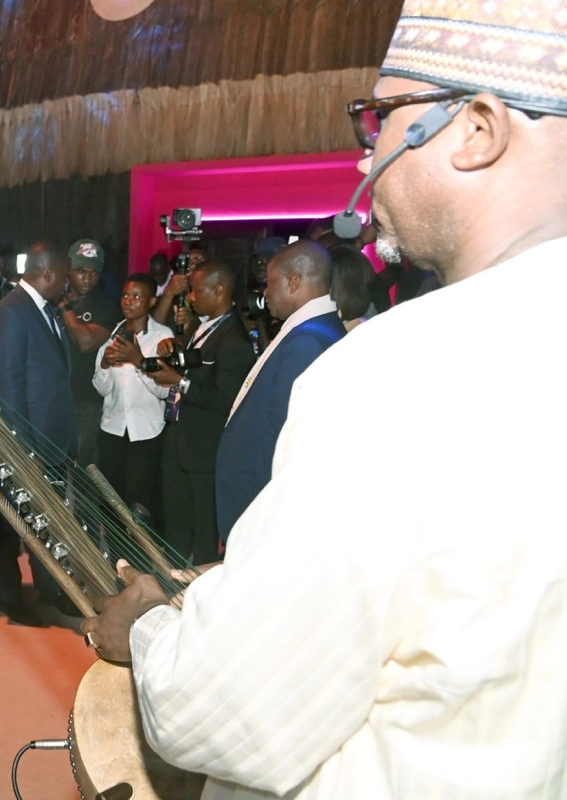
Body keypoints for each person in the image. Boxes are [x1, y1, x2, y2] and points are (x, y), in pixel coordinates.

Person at [81, 2, 567, 797]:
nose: (365, 154)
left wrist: (147, 626)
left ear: (477, 129)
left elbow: (225, 710)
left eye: (381, 117)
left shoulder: (395, 374)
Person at [216, 241, 343, 541]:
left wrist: (254, 518)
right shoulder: (314, 329)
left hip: (260, 510)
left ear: (294, 282)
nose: (265, 293)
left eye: (271, 283)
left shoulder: (307, 342)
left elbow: (279, 439)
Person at [0, 241, 74, 626]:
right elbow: (7, 388)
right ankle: (10, 600)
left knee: (48, 522)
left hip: (50, 441)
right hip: (24, 445)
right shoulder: (11, 312)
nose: (68, 284)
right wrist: (24, 451)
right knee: (11, 525)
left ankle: (50, 589)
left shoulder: (45, 310)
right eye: (65, 276)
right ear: (49, 273)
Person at [146, 259, 255, 564]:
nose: (191, 298)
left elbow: (226, 399)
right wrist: (175, 346)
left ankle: (200, 589)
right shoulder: (202, 323)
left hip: (205, 449)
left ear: (218, 290)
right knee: (175, 524)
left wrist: (179, 381)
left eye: (196, 291)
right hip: (179, 438)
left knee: (204, 531)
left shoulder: (235, 340)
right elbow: (195, 361)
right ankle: (173, 583)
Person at [92, 273, 171, 515]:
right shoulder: (112, 337)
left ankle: (139, 542)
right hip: (112, 430)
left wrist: (139, 361)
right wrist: (105, 364)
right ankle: (112, 542)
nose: (128, 301)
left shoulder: (162, 338)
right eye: (125, 295)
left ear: (152, 301)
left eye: (136, 296)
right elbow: (102, 389)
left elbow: (164, 390)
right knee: (110, 503)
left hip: (146, 433)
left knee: (140, 505)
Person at [59, 239, 120, 469]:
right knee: (52, 467)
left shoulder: (105, 306)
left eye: (94, 273)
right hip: (55, 396)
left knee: (84, 470)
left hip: (86, 400)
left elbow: (86, 343)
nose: (87, 278)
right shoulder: (50, 301)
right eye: (81, 271)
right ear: (68, 270)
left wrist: (65, 309)